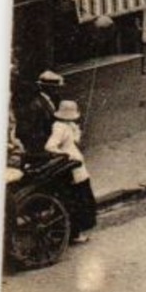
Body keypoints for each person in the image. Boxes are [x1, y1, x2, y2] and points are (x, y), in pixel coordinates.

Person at [43, 100, 96, 244]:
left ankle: (74, 232)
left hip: (79, 170)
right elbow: (50, 146)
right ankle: (74, 234)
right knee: (76, 201)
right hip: (71, 170)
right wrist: (66, 155)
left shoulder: (68, 126)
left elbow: (75, 141)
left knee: (80, 199)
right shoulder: (60, 128)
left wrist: (77, 131)